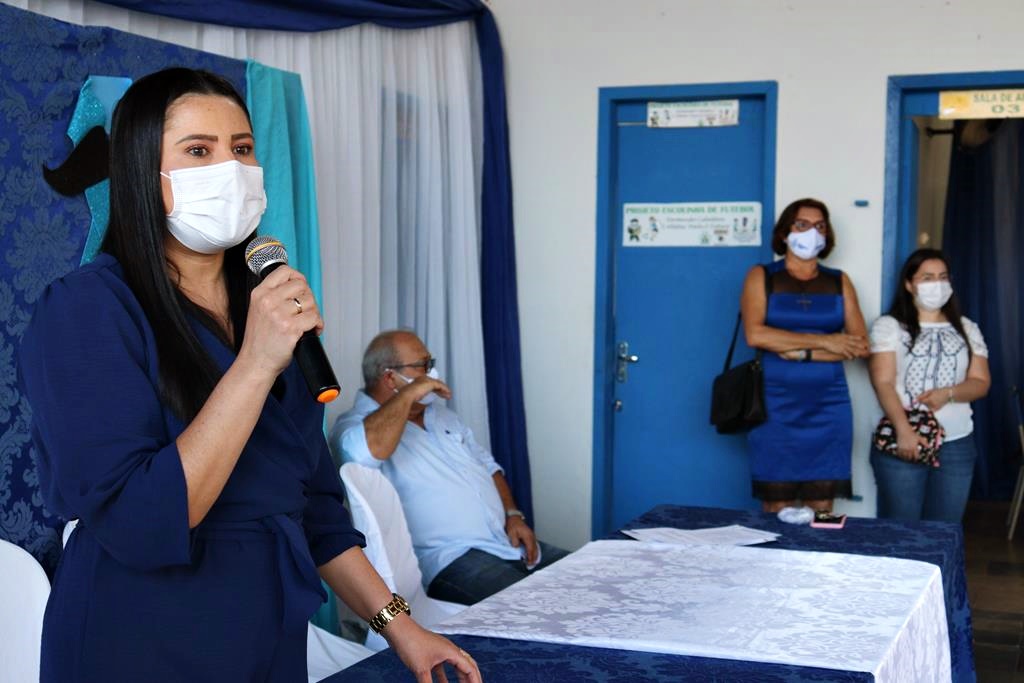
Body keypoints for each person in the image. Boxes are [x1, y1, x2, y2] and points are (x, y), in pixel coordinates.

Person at [17, 68, 480, 683]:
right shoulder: (87, 310)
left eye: (241, 148)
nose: (230, 169)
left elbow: (316, 509)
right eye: (198, 150)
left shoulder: (266, 309)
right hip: (140, 635)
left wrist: (404, 628)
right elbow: (140, 519)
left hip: (266, 634)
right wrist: (256, 364)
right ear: (140, 171)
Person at [331, 330, 569, 605]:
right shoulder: (352, 427)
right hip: (451, 561)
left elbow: (488, 467)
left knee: (594, 579)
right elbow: (360, 454)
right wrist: (408, 394)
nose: (432, 373)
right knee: (544, 606)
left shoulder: (444, 417)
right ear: (389, 378)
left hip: (505, 543)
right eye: (423, 365)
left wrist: (513, 515)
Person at [740, 198, 870, 513]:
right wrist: (827, 342)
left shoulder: (839, 281)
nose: (812, 232)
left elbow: (860, 346)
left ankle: (817, 549)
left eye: (819, 226)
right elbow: (756, 335)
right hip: (774, 403)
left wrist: (796, 351)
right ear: (785, 232)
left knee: (822, 502)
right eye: (802, 224)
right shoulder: (762, 276)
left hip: (829, 403)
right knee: (777, 501)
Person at [868, 248, 991, 522]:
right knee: (901, 528)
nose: (937, 284)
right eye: (927, 277)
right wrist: (904, 431)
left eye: (943, 277)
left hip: (956, 442)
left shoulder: (967, 328)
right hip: (903, 438)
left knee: (945, 529)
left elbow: (981, 383)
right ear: (909, 284)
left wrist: (949, 393)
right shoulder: (889, 326)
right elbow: (882, 382)